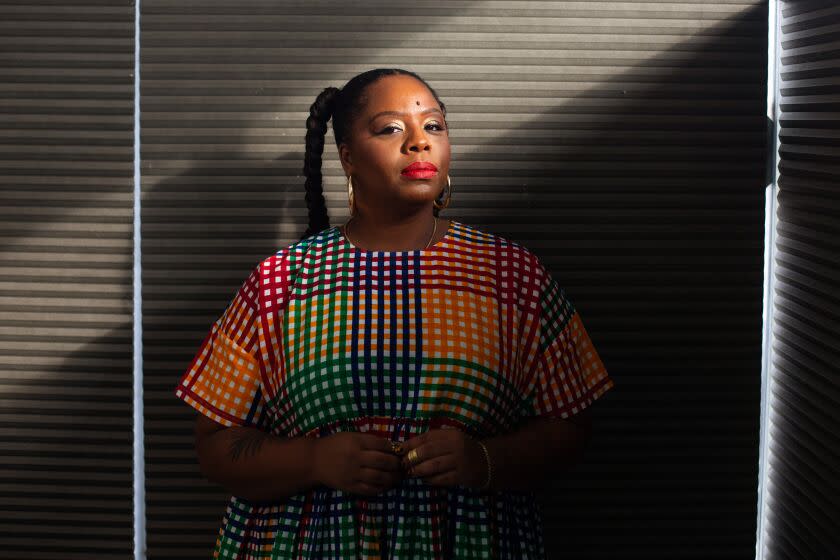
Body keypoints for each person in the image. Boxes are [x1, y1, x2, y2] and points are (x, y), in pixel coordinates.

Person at [175, 68, 615, 559]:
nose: (418, 144)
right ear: (347, 158)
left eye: (433, 126)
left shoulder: (512, 274)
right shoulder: (282, 281)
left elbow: (572, 428)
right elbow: (214, 446)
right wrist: (314, 460)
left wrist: (485, 460)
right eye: (390, 129)